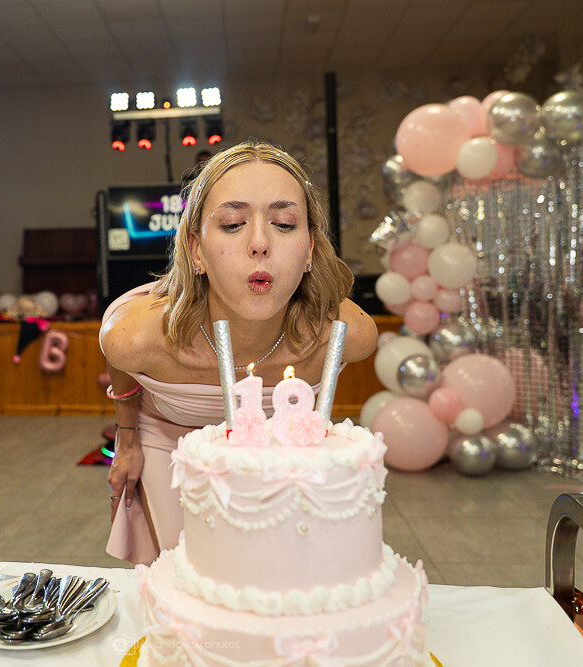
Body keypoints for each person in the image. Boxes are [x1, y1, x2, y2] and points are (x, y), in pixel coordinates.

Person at [100, 141, 378, 564]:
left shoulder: (346, 335)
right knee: (185, 579)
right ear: (196, 250)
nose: (260, 243)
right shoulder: (136, 337)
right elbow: (121, 365)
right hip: (170, 440)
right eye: (232, 224)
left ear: (309, 249)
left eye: (284, 224)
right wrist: (128, 440)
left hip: (279, 455)